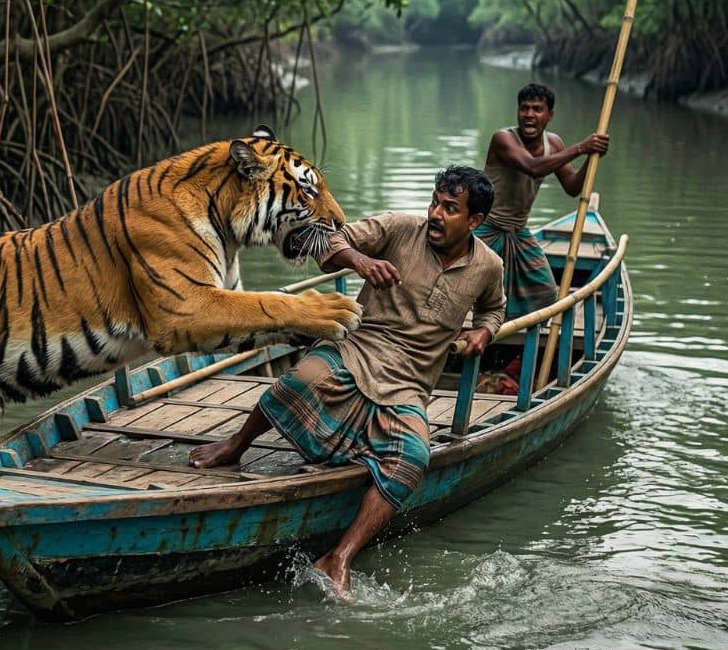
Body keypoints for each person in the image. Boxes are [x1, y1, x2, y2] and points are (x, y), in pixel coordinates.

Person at [188, 166, 506, 599]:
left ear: (474, 222)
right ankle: (234, 446)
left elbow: (493, 308)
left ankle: (339, 556)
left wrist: (482, 333)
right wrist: (360, 260)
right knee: (299, 380)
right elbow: (326, 238)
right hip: (357, 347)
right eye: (434, 202)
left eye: (450, 209)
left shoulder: (489, 266)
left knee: (413, 457)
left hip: (409, 382)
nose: (435, 213)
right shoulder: (398, 228)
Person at [480, 82, 610, 319]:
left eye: (537, 109)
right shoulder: (503, 139)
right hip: (486, 229)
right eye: (524, 108)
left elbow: (572, 187)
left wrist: (592, 157)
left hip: (518, 232)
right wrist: (582, 147)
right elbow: (533, 168)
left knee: (546, 294)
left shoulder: (555, 144)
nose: (529, 115)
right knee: (478, 291)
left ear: (549, 115)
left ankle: (517, 345)